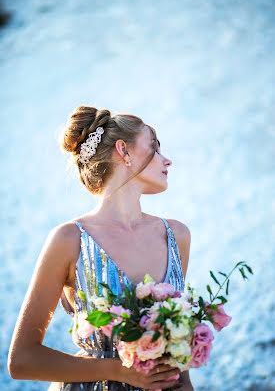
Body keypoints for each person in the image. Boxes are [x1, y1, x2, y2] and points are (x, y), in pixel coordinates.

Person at [7, 106, 194, 390]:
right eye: (154, 148)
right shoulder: (69, 240)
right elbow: (22, 360)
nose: (167, 160)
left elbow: (176, 339)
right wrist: (120, 371)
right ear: (124, 150)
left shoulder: (176, 235)